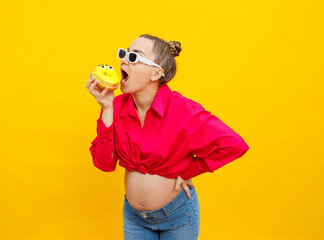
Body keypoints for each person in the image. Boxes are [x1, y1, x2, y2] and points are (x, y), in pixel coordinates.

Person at [86, 34, 249, 240]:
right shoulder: (115, 106)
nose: (124, 60)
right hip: (134, 218)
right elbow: (104, 164)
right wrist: (107, 109)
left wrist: (191, 169)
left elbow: (234, 145)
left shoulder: (184, 111)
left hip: (177, 217)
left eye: (134, 57)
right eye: (124, 54)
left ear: (156, 73)